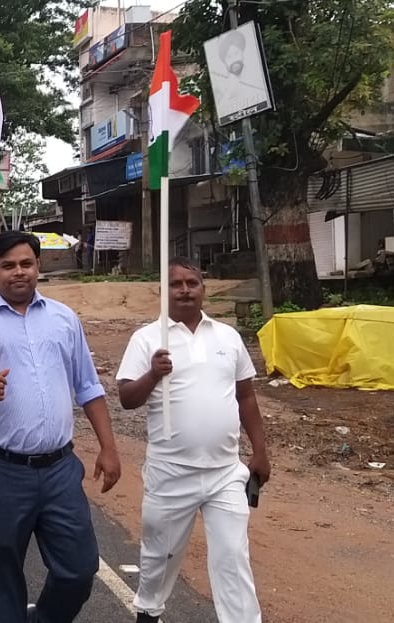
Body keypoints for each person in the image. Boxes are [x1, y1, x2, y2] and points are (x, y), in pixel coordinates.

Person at [0, 230, 121, 623]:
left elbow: (88, 385)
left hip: (59, 469)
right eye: (8, 266)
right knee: (4, 575)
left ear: (38, 266)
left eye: (26, 264)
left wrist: (108, 446)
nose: (18, 272)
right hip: (0, 471)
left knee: (78, 569)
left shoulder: (63, 319)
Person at [116, 257, 268, 623]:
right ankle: (148, 611)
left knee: (233, 556)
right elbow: (127, 399)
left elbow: (246, 397)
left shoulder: (227, 336)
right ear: (162, 291)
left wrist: (260, 451)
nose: (184, 290)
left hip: (225, 472)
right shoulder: (147, 339)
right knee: (160, 555)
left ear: (203, 289)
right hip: (171, 472)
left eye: (192, 283)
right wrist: (153, 374)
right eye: (175, 284)